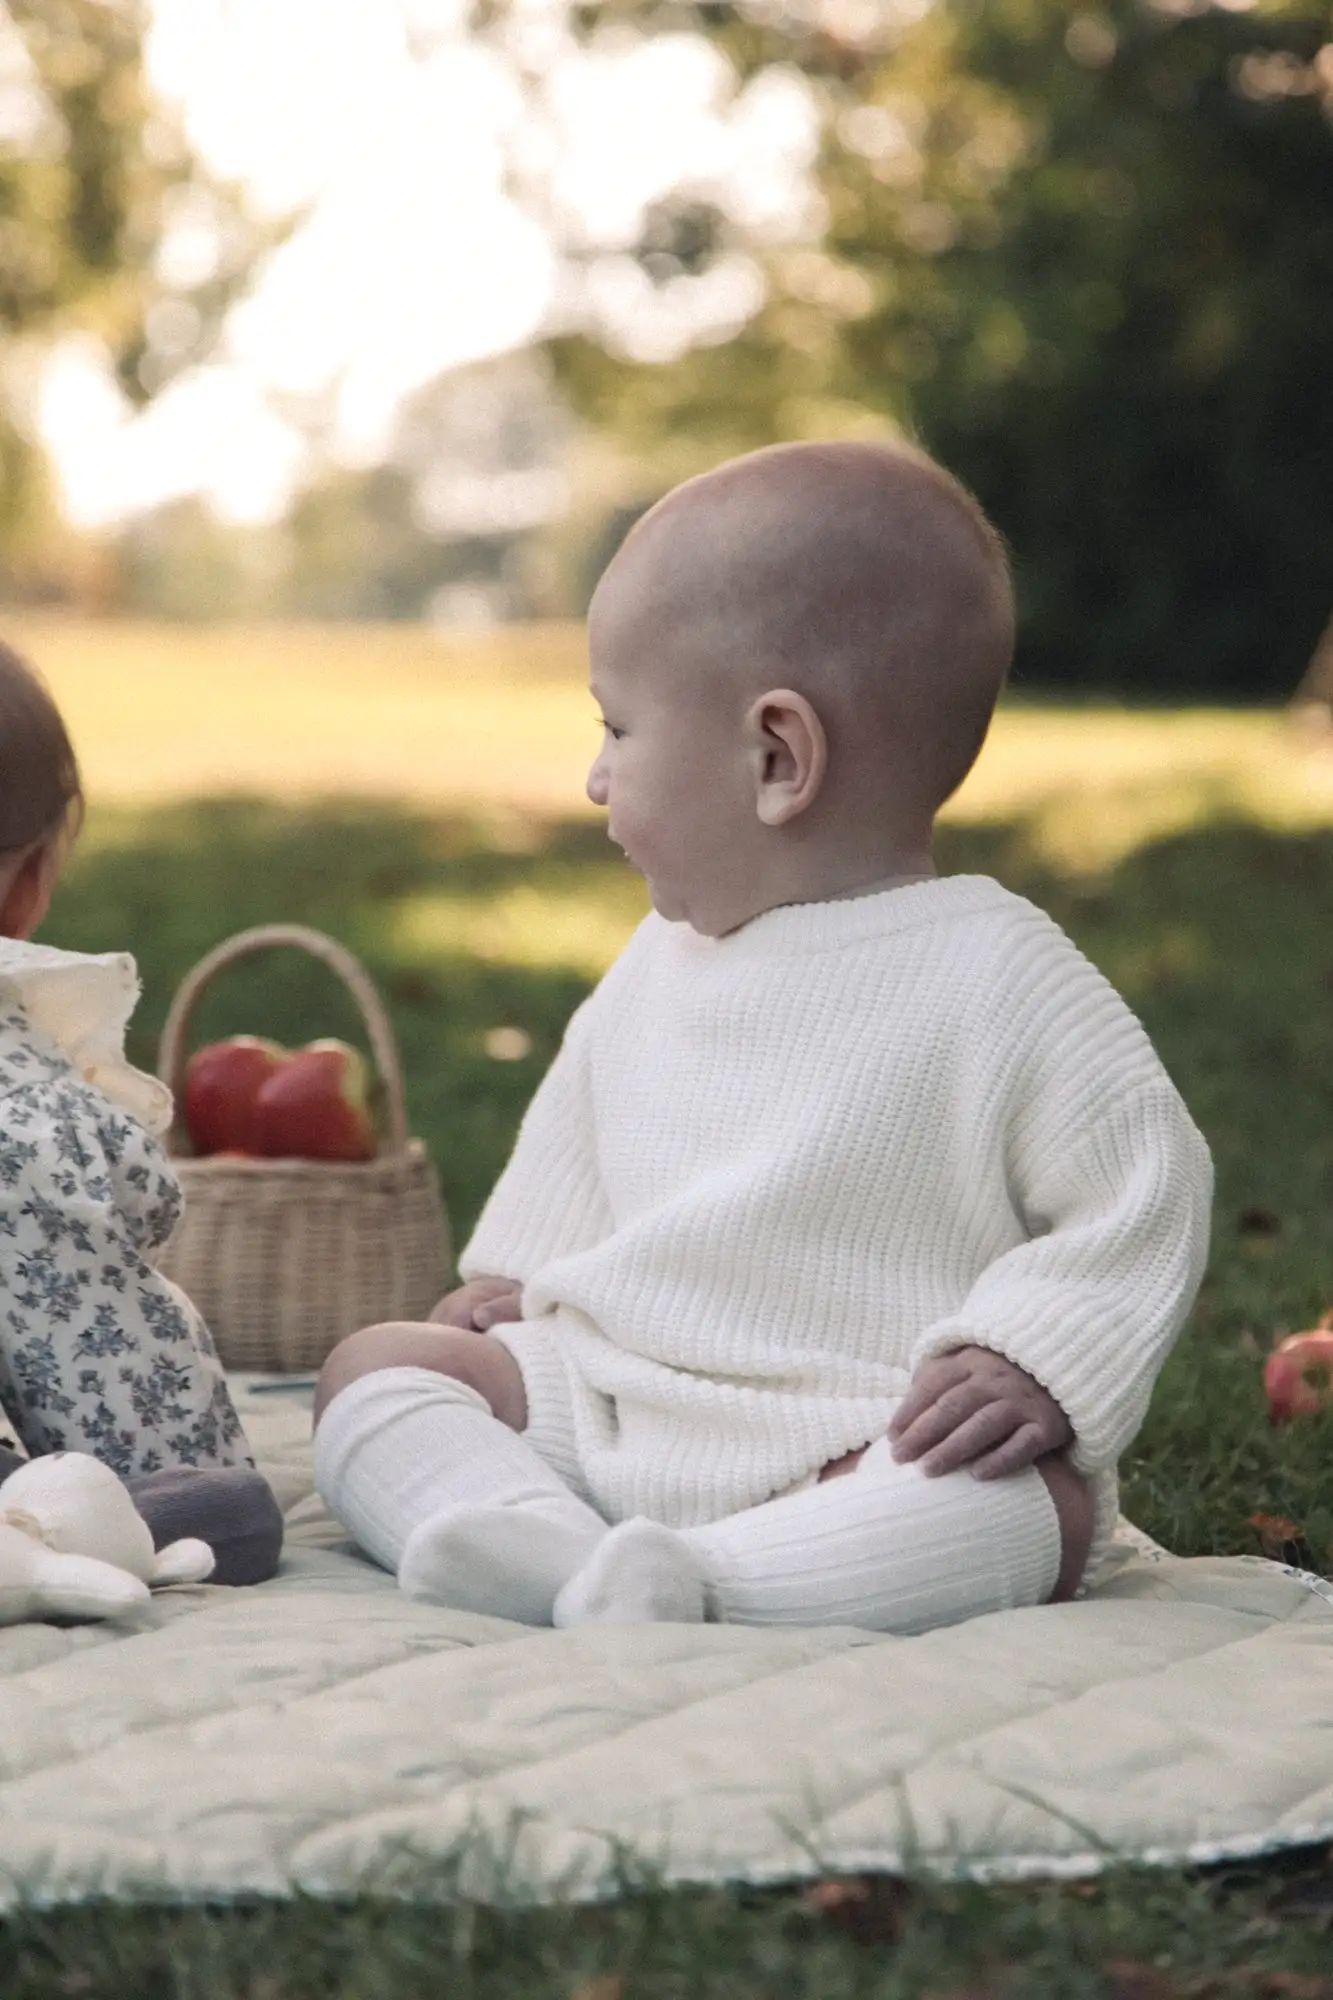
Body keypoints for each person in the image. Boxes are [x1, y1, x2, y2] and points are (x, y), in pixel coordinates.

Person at [313, 440, 1213, 1634]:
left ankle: (709, 1583)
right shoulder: (656, 959)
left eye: (619, 731)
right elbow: (581, 1141)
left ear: (776, 758)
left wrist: (1036, 1354)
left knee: (1024, 1505)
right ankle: (537, 1540)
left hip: (862, 1428)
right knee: (375, 1369)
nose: (593, 779)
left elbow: (1146, 1185)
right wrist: (514, 1280)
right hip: (620, 1395)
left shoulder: (997, 972)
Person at [0, 640, 282, 1584]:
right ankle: (73, 1528)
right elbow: (146, 1203)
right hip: (108, 1444)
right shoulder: (32, 1097)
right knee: (225, 1512)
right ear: (29, 880)